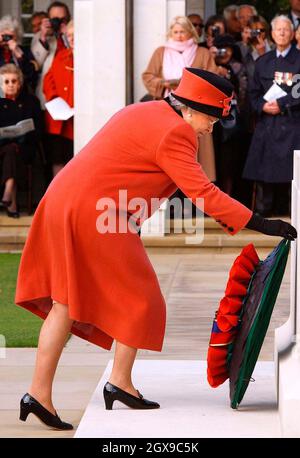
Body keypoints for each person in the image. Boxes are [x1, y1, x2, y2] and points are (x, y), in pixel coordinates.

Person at [15, 68, 296, 429]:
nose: (213, 127)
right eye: (213, 117)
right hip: (97, 212)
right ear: (192, 109)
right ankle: (115, 382)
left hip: (62, 200)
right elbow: (203, 194)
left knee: (65, 302)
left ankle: (45, 392)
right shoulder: (177, 132)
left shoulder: (144, 110)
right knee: (141, 298)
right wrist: (261, 224)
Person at [142, 15, 218, 183]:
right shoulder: (161, 52)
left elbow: (212, 78)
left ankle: (196, 197)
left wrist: (190, 86)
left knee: (198, 155)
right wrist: (164, 83)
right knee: (170, 149)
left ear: (190, 32)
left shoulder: (202, 52)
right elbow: (148, 76)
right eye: (175, 32)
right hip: (168, 107)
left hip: (196, 110)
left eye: (182, 31)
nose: (179, 35)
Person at [243, 15, 300, 216]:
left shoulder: (299, 60)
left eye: (286, 29)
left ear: (292, 33)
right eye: (278, 29)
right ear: (272, 34)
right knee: (264, 173)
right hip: (267, 125)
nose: (282, 33)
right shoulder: (263, 61)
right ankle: (263, 214)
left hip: (292, 124)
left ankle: (290, 215)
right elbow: (253, 92)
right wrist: (262, 106)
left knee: (291, 174)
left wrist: (283, 104)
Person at [0, 64, 43, 217]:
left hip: (24, 148)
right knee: (10, 150)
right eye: (6, 82)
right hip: (2, 148)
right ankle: (11, 200)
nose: (10, 85)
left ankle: (9, 197)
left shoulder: (31, 102)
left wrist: (23, 135)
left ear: (20, 83)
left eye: (14, 81)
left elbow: (38, 131)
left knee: (12, 151)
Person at [43, 20, 74, 178]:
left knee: (75, 162)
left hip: (78, 121)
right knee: (57, 160)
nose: (73, 39)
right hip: (59, 119)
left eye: (76, 35)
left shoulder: (91, 60)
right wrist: (55, 100)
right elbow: (48, 81)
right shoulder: (61, 56)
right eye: (69, 36)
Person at [31, 1, 71, 108]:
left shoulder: (73, 36)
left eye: (63, 20)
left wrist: (67, 35)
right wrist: (43, 37)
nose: (58, 23)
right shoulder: (40, 37)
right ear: (48, 19)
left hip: (69, 94)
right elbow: (36, 64)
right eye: (55, 19)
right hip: (47, 95)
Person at [0, 15, 39, 92]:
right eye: (4, 36)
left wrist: (20, 56)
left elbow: (32, 77)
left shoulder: (24, 51)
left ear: (17, 37)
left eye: (10, 37)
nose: (6, 40)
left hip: (19, 95)